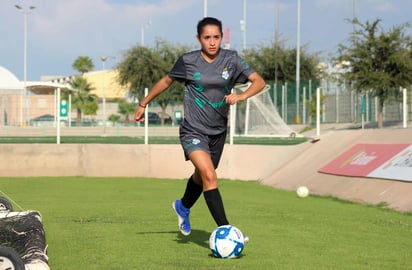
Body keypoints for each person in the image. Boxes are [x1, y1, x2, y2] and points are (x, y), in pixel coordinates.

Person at [135, 17, 265, 237]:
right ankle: (227, 230)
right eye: (207, 37)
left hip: (218, 132)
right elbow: (166, 81)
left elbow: (259, 81)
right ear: (199, 39)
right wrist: (143, 103)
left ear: (222, 37)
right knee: (209, 175)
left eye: (216, 37)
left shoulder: (231, 60)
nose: (212, 42)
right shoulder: (188, 61)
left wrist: (241, 96)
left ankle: (183, 206)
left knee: (201, 175)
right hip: (193, 130)